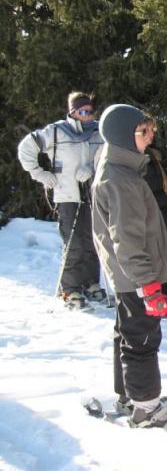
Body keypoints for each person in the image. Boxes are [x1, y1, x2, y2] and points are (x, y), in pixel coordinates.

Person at [92, 104, 167, 428]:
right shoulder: (120, 179)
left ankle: (129, 395)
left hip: (127, 274)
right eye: (142, 132)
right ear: (123, 136)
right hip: (135, 275)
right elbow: (128, 239)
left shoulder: (120, 167)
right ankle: (146, 408)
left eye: (151, 131)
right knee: (143, 338)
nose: (150, 137)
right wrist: (148, 284)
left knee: (127, 331)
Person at [17, 91, 106, 309]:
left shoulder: (98, 132)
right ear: (73, 112)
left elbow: (106, 158)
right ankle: (69, 289)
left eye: (91, 111)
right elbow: (26, 148)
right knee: (74, 243)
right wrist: (40, 174)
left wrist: (92, 169)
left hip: (92, 194)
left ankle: (90, 283)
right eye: (83, 111)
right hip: (67, 195)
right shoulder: (56, 131)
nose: (88, 116)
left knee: (93, 242)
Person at [140, 116, 167, 309]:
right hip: (151, 217)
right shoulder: (139, 158)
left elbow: (162, 185)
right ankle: (166, 302)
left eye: (153, 130)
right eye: (146, 130)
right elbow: (146, 192)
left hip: (161, 214)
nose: (151, 135)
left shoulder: (153, 155)